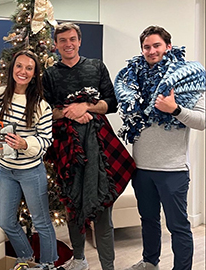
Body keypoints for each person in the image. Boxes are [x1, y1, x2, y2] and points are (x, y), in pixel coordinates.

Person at [43, 22, 134, 270]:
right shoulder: (50, 74)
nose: (68, 44)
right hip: (67, 148)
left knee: (102, 205)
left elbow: (110, 103)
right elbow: (46, 111)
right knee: (73, 203)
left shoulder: (96, 66)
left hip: (99, 145)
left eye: (72, 39)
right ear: (56, 45)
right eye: (62, 40)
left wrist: (87, 107)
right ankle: (80, 260)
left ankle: (108, 266)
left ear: (79, 41)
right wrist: (69, 112)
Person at [114, 25, 205, 270]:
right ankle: (150, 262)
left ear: (168, 47)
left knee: (177, 227)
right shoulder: (132, 79)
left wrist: (174, 109)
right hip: (142, 168)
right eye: (147, 47)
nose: (152, 51)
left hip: (173, 169)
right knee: (149, 221)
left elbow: (202, 121)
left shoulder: (188, 79)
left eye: (157, 45)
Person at [0, 50, 59, 270]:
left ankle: (47, 264)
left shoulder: (40, 105)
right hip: (6, 170)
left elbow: (46, 140)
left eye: (29, 68)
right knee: (6, 221)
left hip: (31, 172)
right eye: (19, 66)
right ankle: (26, 257)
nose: (23, 71)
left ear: (34, 74)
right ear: (12, 69)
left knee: (41, 223)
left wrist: (25, 144)